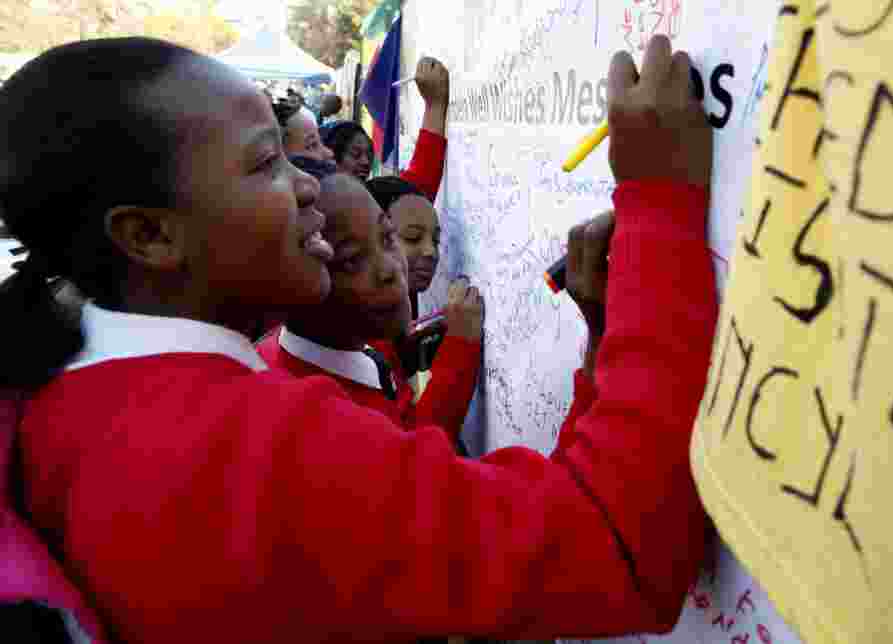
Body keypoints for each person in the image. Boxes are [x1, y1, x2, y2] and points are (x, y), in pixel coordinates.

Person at [0, 34, 717, 643]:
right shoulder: (246, 448)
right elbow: (621, 549)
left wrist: (607, 341)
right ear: (149, 235)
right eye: (265, 164)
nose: (310, 184)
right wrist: (660, 207)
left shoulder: (74, 395)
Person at [257, 172, 480, 450]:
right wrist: (460, 347)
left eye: (387, 238)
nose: (389, 268)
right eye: (351, 261)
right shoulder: (332, 425)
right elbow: (413, 458)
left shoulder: (352, 346)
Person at [364, 177, 482, 434]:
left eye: (436, 240)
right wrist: (461, 344)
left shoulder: (390, 312)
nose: (431, 251)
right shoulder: (363, 347)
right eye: (413, 238)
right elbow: (417, 447)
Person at [323, 56, 450, 198]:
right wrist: (434, 105)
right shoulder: (351, 208)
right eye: (356, 154)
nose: (365, 162)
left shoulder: (367, 198)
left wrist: (435, 105)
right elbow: (418, 187)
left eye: (369, 155)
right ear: (330, 158)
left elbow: (417, 184)